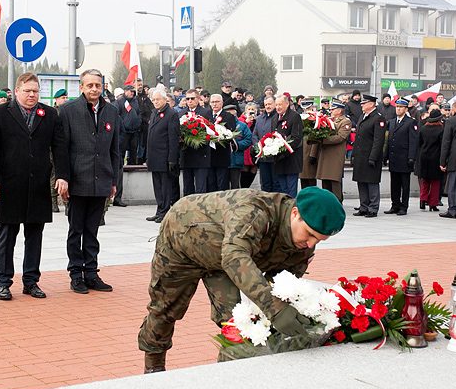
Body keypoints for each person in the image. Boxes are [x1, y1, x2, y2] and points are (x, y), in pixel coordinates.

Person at [137, 187, 346, 373]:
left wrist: (282, 310)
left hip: (222, 260)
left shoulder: (303, 245)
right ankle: (153, 367)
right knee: (165, 308)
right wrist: (275, 309)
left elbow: (280, 286)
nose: (310, 244)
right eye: (309, 234)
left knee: (236, 320)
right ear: (295, 213)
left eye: (318, 240)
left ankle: (231, 372)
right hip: (183, 240)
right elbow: (234, 257)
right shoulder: (255, 211)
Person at [0, 72, 68, 301]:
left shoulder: (48, 114)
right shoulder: (1, 113)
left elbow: (59, 147)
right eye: (27, 91)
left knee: (35, 235)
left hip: (38, 183)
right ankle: (3, 282)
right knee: (7, 235)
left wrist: (62, 175)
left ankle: (31, 281)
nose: (32, 95)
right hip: (9, 183)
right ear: (17, 90)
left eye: (36, 91)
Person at [57, 69, 119, 294]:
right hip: (77, 180)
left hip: (102, 179)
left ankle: (91, 273)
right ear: (81, 87)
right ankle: (76, 274)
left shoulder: (111, 111)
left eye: (98, 85)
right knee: (76, 230)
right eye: (90, 85)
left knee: (93, 230)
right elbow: (61, 149)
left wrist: (114, 179)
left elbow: (115, 149)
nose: (94, 89)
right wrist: (63, 178)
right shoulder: (68, 111)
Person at [145, 87, 180, 222]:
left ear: (165, 99)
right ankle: (159, 210)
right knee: (157, 186)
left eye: (158, 99)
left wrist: (172, 158)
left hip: (164, 157)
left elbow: (173, 138)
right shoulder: (154, 113)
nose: (155, 102)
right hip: (154, 157)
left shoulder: (171, 114)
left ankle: (165, 211)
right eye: (153, 100)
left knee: (165, 187)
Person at [351, 94, 386, 217]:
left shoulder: (378, 118)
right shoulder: (363, 117)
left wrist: (373, 157)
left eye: (364, 103)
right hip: (361, 155)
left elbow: (378, 140)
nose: (361, 105)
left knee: (371, 182)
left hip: (370, 156)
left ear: (371, 104)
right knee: (361, 181)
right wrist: (354, 154)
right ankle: (364, 206)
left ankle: (373, 207)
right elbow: (358, 138)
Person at [384, 98, 418, 215]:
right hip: (394, 157)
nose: (398, 109)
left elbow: (413, 141)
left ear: (405, 109)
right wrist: (386, 155)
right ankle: (395, 205)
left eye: (401, 107)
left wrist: (411, 157)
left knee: (405, 185)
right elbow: (389, 140)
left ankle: (404, 206)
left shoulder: (410, 122)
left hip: (404, 158)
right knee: (394, 184)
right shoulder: (392, 121)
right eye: (397, 107)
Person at [315, 100, 353, 202]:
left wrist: (324, 139)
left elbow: (340, 137)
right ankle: (327, 204)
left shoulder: (345, 121)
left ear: (339, 111)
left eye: (333, 109)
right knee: (325, 183)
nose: (331, 111)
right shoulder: (329, 120)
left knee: (334, 182)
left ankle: (337, 204)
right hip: (326, 155)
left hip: (335, 156)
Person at [178, 89, 213, 196]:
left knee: (200, 188)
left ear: (198, 99)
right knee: (187, 188)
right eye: (187, 99)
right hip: (186, 154)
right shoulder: (181, 113)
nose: (189, 101)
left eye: (192, 98)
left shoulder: (205, 112)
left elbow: (211, 131)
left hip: (200, 154)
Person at [270, 93, 303, 198]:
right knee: (282, 189)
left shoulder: (294, 116)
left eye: (280, 104)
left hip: (291, 159)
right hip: (279, 159)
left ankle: (292, 210)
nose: (278, 107)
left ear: (287, 104)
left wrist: (284, 151)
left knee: (291, 189)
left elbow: (296, 138)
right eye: (277, 105)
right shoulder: (274, 118)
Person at [415, 110, 444, 211]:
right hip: (436, 158)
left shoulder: (423, 128)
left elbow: (419, 143)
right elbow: (442, 145)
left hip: (424, 156)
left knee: (425, 180)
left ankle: (422, 199)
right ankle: (433, 203)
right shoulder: (441, 129)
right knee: (435, 182)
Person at [208, 93, 238, 192]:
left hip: (222, 155)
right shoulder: (206, 115)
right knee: (211, 184)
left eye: (217, 102)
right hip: (209, 156)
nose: (214, 104)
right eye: (212, 102)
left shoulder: (228, 117)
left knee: (222, 184)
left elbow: (231, 134)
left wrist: (220, 137)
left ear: (222, 103)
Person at [251, 96, 277, 192]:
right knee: (265, 184)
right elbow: (255, 134)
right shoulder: (260, 118)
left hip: (274, 157)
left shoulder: (278, 117)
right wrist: (258, 147)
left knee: (276, 184)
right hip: (263, 158)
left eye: (270, 104)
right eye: (266, 104)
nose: (268, 106)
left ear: (274, 104)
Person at [226, 104, 252, 190]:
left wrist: (237, 145)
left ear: (235, 114)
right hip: (223, 161)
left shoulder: (242, 126)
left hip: (236, 161)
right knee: (223, 186)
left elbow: (248, 140)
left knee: (235, 186)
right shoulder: (221, 125)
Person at [239, 102, 260, 189]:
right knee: (245, 168)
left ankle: (248, 187)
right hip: (245, 148)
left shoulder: (258, 120)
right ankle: (244, 188)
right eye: (249, 109)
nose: (250, 111)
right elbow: (240, 132)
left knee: (254, 168)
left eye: (253, 110)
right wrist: (246, 122)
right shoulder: (241, 119)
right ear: (245, 110)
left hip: (254, 146)